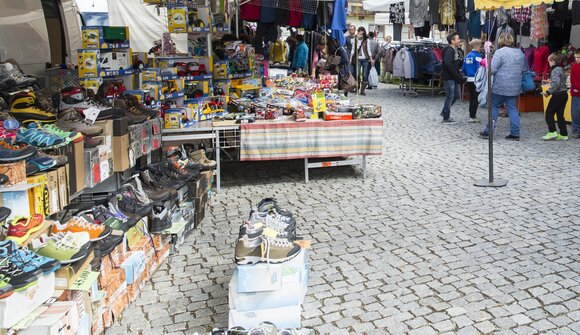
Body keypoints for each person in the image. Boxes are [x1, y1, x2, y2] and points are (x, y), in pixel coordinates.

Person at [480, 32, 525, 140]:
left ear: (500, 40)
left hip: (500, 85)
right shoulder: (519, 52)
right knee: (512, 108)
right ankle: (515, 133)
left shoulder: (500, 52)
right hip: (515, 86)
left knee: (494, 106)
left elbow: (492, 69)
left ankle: (489, 131)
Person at [542, 53, 569, 141]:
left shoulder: (555, 70)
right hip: (564, 94)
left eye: (549, 61)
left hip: (558, 95)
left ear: (553, 61)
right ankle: (563, 134)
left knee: (549, 113)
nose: (549, 63)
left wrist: (548, 92)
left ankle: (552, 131)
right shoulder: (561, 69)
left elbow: (556, 83)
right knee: (560, 115)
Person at [440, 31, 463, 124]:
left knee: (456, 95)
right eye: (457, 39)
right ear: (453, 41)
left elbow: (453, 64)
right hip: (449, 77)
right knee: (450, 96)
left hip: (453, 77)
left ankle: (445, 111)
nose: (459, 40)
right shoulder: (449, 50)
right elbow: (448, 64)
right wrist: (456, 75)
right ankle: (446, 117)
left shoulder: (454, 50)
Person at [462, 39, 484, 123]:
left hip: (469, 79)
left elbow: (463, 68)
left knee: (472, 98)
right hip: (476, 80)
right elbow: (480, 68)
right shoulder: (478, 56)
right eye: (480, 46)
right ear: (477, 46)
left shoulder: (467, 56)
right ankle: (472, 116)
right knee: (475, 98)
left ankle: (471, 114)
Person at [350, 27, 372, 96]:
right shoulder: (354, 39)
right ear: (358, 31)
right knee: (357, 74)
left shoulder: (367, 40)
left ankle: (362, 90)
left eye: (362, 31)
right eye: (360, 31)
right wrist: (350, 58)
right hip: (358, 59)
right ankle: (357, 87)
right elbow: (353, 49)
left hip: (365, 58)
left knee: (365, 75)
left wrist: (371, 58)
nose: (361, 32)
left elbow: (368, 49)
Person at [571, 49, 580, 138]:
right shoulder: (574, 66)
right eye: (576, 57)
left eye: (579, 58)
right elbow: (572, 80)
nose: (577, 59)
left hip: (578, 91)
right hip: (576, 93)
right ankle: (575, 130)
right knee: (575, 112)